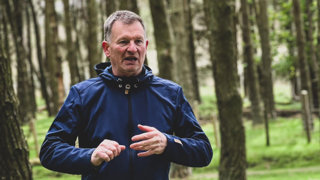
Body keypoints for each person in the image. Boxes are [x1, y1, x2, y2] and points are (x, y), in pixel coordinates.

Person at [40, 10, 212, 180]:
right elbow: (50, 150)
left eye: (138, 41)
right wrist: (90, 156)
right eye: (123, 42)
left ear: (145, 46)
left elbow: (203, 151)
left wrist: (167, 143)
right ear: (107, 49)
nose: (132, 48)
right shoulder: (83, 94)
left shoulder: (171, 93)